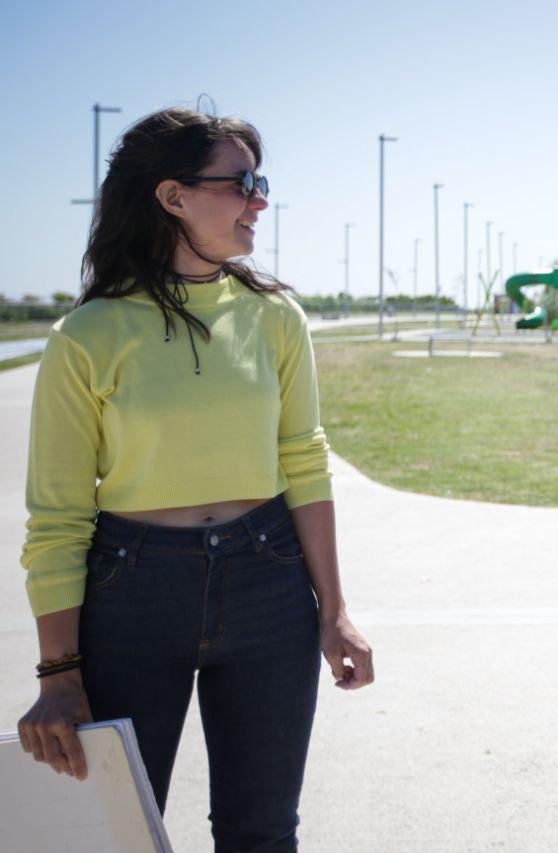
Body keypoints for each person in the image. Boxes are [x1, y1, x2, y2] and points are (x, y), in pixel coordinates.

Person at [17, 107, 373, 851]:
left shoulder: (277, 317)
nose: (260, 200)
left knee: (262, 833)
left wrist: (333, 609)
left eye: (260, 181)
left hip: (269, 585)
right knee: (116, 834)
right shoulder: (86, 337)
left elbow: (304, 461)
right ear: (172, 195)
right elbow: (57, 516)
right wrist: (58, 671)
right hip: (130, 596)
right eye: (241, 182)